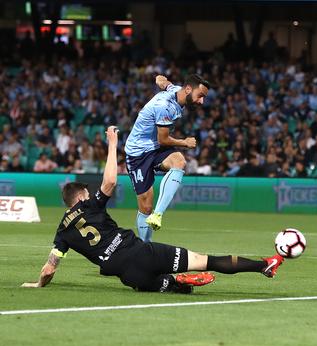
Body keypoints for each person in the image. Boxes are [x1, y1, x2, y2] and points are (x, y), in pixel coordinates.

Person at [21, 127, 285, 293]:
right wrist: (113, 144)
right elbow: (111, 181)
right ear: (81, 196)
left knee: (161, 285)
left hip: (129, 276)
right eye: (87, 193)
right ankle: (265, 265)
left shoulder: (62, 231)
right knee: (210, 260)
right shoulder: (90, 204)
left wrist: (37, 285)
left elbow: (49, 268)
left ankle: (173, 283)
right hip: (142, 253)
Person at [124, 74, 208, 242]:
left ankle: (158, 214)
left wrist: (160, 79)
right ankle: (145, 247)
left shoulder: (177, 91)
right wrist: (185, 142)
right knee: (145, 206)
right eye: (200, 96)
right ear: (189, 89)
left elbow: (166, 84)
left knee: (179, 161)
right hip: (138, 153)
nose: (201, 102)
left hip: (155, 147)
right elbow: (163, 139)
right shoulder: (164, 106)